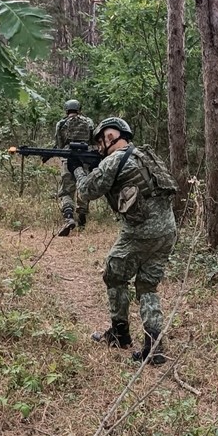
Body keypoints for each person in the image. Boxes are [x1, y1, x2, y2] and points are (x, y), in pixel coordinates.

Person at [77, 117, 177, 365]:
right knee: (147, 286)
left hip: (140, 231)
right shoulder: (145, 155)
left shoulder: (113, 160)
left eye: (102, 140)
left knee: (113, 274)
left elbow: (86, 191)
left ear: (110, 137)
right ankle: (154, 348)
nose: (100, 146)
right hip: (167, 230)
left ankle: (120, 334)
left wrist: (77, 170)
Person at [54, 99, 94, 236]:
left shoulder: (61, 123)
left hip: (67, 157)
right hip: (85, 158)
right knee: (83, 186)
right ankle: (82, 215)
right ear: (79, 109)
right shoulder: (88, 122)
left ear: (66, 110)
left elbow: (59, 143)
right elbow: (93, 140)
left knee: (66, 190)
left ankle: (69, 216)